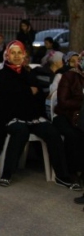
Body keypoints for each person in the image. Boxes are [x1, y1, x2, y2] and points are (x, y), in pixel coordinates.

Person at [0, 40, 80, 190]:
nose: (17, 56)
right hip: (9, 115)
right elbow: (9, 96)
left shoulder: (28, 73)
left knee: (52, 132)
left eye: (20, 52)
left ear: (24, 54)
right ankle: (6, 174)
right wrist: (27, 91)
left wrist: (24, 92)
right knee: (20, 131)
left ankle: (62, 176)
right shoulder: (2, 74)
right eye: (13, 53)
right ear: (7, 54)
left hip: (32, 115)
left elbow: (36, 94)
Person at [53, 52, 84, 185]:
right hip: (66, 116)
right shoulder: (69, 76)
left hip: (81, 117)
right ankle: (72, 172)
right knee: (74, 135)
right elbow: (63, 102)